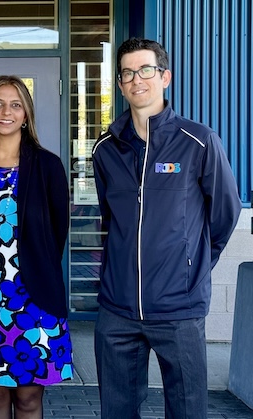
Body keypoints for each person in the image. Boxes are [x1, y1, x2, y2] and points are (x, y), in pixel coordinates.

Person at [92, 38, 241, 418]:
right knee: (117, 411)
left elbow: (224, 214)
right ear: (121, 84)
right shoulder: (105, 149)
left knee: (188, 410)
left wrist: (192, 267)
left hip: (179, 307)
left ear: (165, 77)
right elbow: (110, 221)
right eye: (127, 72)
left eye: (145, 70)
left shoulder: (199, 141)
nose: (136, 79)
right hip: (117, 310)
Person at [0, 75, 73, 419]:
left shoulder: (48, 166)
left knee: (28, 402)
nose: (6, 111)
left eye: (15, 104)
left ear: (26, 114)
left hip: (35, 306)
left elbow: (57, 235)